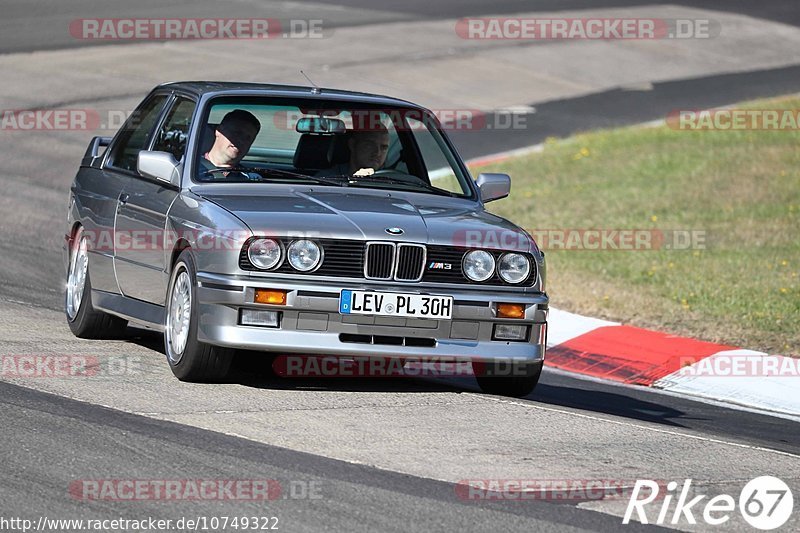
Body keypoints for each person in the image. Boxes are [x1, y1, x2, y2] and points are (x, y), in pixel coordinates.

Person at [199, 109, 261, 176]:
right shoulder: (190, 168)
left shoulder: (250, 181)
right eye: (236, 133)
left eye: (247, 138)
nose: (241, 140)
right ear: (218, 131)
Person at [318, 124, 390, 177]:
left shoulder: (393, 181)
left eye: (384, 148)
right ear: (352, 145)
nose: (378, 153)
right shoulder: (327, 179)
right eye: (370, 145)